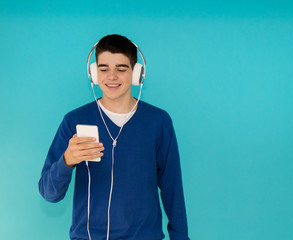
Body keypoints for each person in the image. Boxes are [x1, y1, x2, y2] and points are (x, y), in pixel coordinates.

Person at [38, 34, 190, 240]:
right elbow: (49, 194)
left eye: (121, 69)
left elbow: (173, 188)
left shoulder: (159, 121)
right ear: (93, 73)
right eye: (103, 69)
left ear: (136, 74)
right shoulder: (73, 121)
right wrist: (66, 161)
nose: (111, 76)